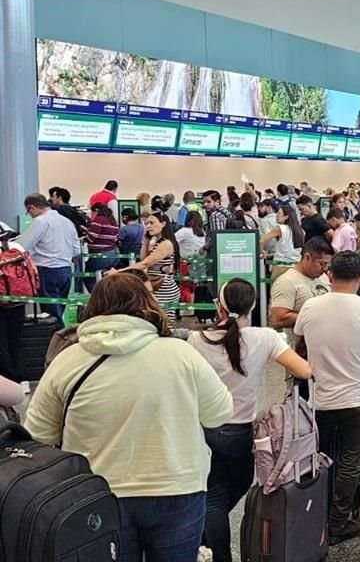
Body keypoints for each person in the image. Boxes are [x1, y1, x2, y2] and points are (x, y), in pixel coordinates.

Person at [24, 272, 233, 562]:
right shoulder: (179, 354)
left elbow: (37, 434)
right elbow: (220, 413)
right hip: (177, 486)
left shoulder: (67, 360)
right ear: (148, 305)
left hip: (97, 493)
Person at [188, 278, 311, 562]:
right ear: (253, 305)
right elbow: (304, 371)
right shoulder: (264, 338)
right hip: (240, 430)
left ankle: (214, 545)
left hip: (203, 429)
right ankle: (212, 537)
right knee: (239, 483)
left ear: (219, 306)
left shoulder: (197, 340)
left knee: (214, 494)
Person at [294, 251, 360, 545]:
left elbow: (300, 348)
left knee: (320, 458)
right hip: (358, 398)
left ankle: (315, 514)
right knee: (350, 461)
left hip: (321, 399)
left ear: (330, 275)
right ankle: (338, 522)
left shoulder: (310, 307)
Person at [18, 193, 81, 326]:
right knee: (59, 310)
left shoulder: (40, 221)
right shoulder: (66, 221)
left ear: (32, 207)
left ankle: (59, 341)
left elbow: (22, 246)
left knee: (52, 316)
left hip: (47, 271)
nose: (29, 215)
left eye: (29, 212)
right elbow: (77, 250)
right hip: (65, 271)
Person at [270, 237, 334, 345]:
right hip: (301, 348)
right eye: (322, 264)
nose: (325, 268)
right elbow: (278, 319)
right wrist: (315, 315)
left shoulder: (323, 277)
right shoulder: (286, 282)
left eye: (327, 264)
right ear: (307, 257)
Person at [121, 212, 181, 320]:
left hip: (164, 289)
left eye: (152, 223)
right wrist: (145, 241)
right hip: (157, 286)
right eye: (146, 223)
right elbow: (143, 259)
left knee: (165, 322)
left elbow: (144, 263)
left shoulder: (166, 244)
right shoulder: (156, 242)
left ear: (163, 224)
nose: (148, 226)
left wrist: (118, 272)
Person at [82, 203, 120, 293]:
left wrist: (83, 238)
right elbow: (116, 237)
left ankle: (97, 297)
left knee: (89, 277)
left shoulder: (98, 220)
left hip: (100, 255)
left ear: (96, 211)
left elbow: (91, 238)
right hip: (114, 253)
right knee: (106, 279)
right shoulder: (112, 220)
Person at [260, 205, 304, 280]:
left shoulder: (280, 228)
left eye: (279, 213)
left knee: (277, 289)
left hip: (281, 266)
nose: (276, 216)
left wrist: (262, 253)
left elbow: (261, 241)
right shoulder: (301, 231)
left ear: (286, 217)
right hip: (296, 266)